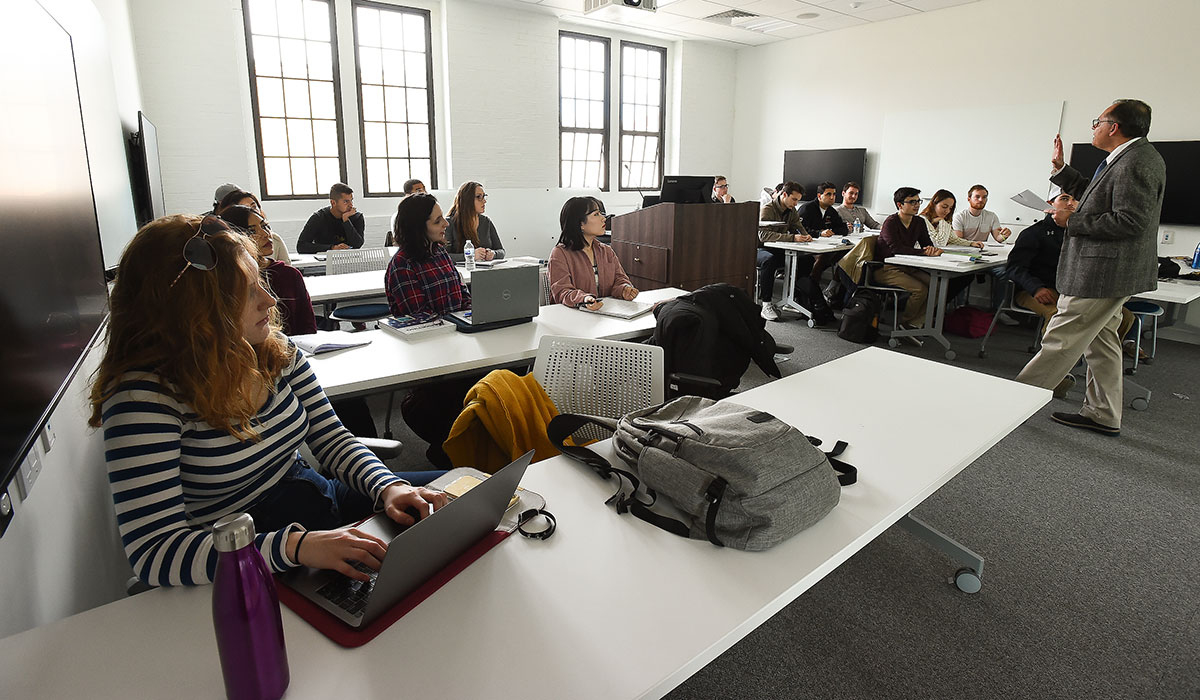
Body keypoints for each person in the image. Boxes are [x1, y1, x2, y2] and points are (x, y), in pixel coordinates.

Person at [89, 214, 448, 587]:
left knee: (459, 494)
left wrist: (387, 486)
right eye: (245, 292)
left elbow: (332, 439)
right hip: (244, 555)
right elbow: (155, 552)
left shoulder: (271, 350)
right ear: (189, 309)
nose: (269, 299)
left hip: (317, 502)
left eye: (259, 281)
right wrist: (295, 547)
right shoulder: (144, 397)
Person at [1016, 100, 1165, 436]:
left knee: (1061, 338)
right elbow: (1098, 196)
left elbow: (1130, 221)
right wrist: (1061, 170)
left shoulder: (1135, 162)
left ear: (1114, 127)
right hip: (1110, 271)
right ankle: (1103, 413)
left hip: (1101, 273)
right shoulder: (1128, 157)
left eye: (1098, 121)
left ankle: (1007, 405)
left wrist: (1072, 220)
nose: (1094, 127)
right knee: (1103, 342)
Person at [1007, 189, 1139, 347]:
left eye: (1076, 200)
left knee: (1124, 317)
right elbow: (1014, 268)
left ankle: (1097, 356)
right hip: (1038, 290)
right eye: (1064, 198)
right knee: (1058, 316)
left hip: (1075, 292)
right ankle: (1053, 359)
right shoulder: (1034, 233)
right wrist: (1036, 288)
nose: (1071, 203)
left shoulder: (1085, 233)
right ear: (1050, 204)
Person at [218, 204, 315, 335]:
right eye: (252, 231)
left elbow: (308, 328)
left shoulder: (288, 274)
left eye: (264, 226)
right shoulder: (229, 279)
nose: (265, 234)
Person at [384, 193, 471, 320]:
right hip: (432, 330)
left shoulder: (440, 251)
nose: (446, 223)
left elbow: (461, 292)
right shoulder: (402, 265)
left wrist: (471, 313)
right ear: (418, 227)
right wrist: (456, 322)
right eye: (437, 221)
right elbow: (419, 315)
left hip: (455, 325)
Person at [548, 196, 638, 309]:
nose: (603, 218)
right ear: (580, 223)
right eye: (596, 214)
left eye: (601, 214)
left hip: (604, 313)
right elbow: (562, 291)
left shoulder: (606, 251)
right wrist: (584, 299)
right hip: (572, 314)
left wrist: (624, 289)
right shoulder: (559, 254)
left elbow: (620, 279)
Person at [873, 187, 942, 327]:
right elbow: (896, 249)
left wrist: (931, 250)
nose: (917, 205)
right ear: (900, 205)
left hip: (907, 266)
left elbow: (926, 244)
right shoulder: (891, 222)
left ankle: (915, 324)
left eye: (918, 201)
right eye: (912, 202)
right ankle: (904, 324)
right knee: (920, 290)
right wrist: (923, 252)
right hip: (885, 268)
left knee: (937, 287)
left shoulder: (919, 222)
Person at [757, 182, 810, 321]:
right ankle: (766, 304)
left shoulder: (791, 210)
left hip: (779, 249)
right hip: (760, 249)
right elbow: (763, 236)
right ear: (784, 194)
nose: (796, 203)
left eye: (798, 200)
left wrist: (806, 236)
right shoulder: (767, 209)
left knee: (806, 259)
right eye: (794, 199)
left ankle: (794, 297)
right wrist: (792, 238)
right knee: (769, 260)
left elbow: (799, 227)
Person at [920, 189, 983, 302]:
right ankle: (936, 306)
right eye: (944, 207)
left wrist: (971, 243)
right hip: (923, 261)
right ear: (934, 204)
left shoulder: (943, 221)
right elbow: (938, 242)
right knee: (958, 278)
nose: (947, 211)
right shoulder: (923, 220)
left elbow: (953, 239)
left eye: (950, 208)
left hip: (936, 259)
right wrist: (942, 222)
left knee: (966, 276)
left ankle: (940, 305)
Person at [797, 181, 850, 287]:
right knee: (824, 256)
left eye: (834, 194)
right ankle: (812, 284)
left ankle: (834, 286)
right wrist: (819, 233)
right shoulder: (807, 208)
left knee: (846, 253)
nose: (832, 197)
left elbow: (843, 229)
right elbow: (800, 230)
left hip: (824, 245)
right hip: (806, 246)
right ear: (819, 196)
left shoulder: (831, 211)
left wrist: (831, 231)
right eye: (828, 194)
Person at [296, 182, 365, 253]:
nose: (351, 205)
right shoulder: (319, 217)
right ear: (333, 203)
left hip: (350, 258)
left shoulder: (357, 217)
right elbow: (301, 246)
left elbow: (357, 245)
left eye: (351, 200)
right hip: (325, 258)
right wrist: (332, 248)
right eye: (346, 202)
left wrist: (346, 220)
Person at [446, 181, 504, 263]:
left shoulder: (486, 222)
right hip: (462, 270)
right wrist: (470, 255)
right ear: (467, 200)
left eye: (484, 196)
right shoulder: (449, 223)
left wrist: (493, 254)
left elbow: (501, 251)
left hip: (485, 269)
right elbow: (443, 257)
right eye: (479, 197)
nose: (484, 201)